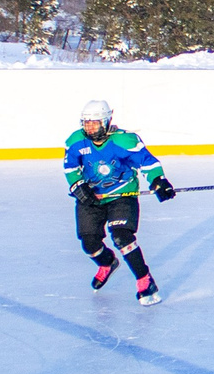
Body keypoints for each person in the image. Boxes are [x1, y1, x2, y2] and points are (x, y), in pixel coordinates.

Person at [64, 99, 174, 305]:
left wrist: (158, 180)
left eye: (94, 123)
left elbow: (148, 162)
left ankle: (145, 280)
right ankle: (107, 263)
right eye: (86, 123)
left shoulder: (124, 141)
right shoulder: (76, 141)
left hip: (122, 195)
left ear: (106, 121)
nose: (90, 128)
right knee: (89, 244)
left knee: (122, 237)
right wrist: (78, 186)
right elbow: (70, 168)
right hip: (92, 198)